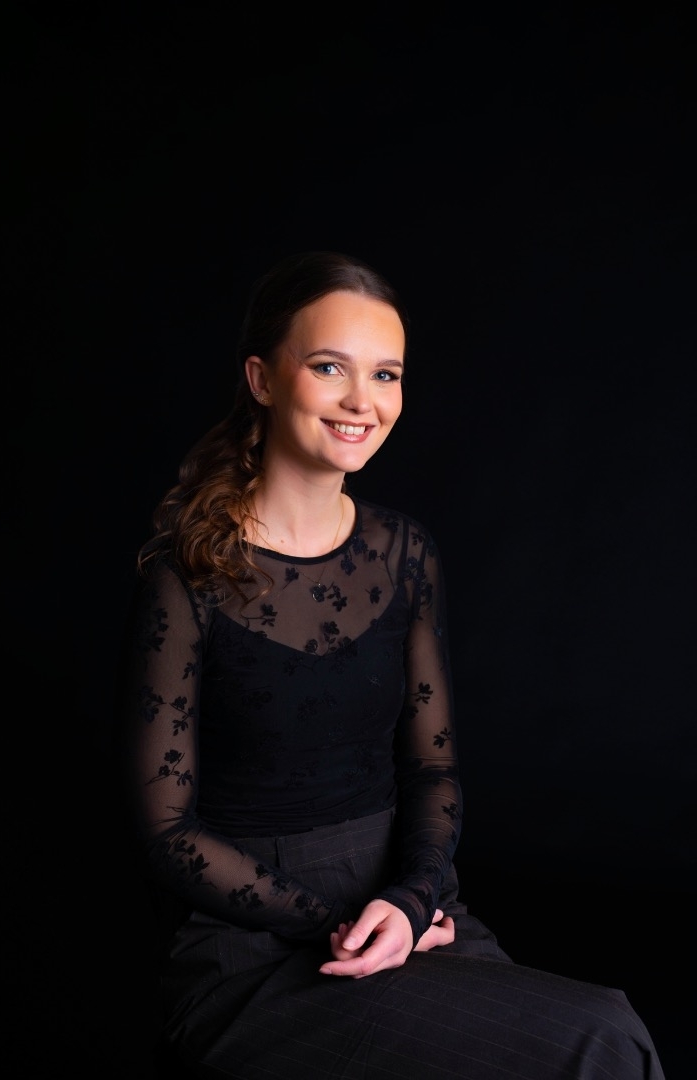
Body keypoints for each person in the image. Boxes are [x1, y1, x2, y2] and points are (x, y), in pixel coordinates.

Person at [116, 250, 666, 1078]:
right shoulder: (186, 574)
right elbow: (166, 831)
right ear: (262, 380)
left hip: (403, 905)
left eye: (386, 374)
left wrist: (410, 899)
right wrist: (336, 922)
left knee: (598, 1034)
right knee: (598, 1042)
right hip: (252, 943)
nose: (362, 402)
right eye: (329, 367)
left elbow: (432, 769)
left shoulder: (404, 552)